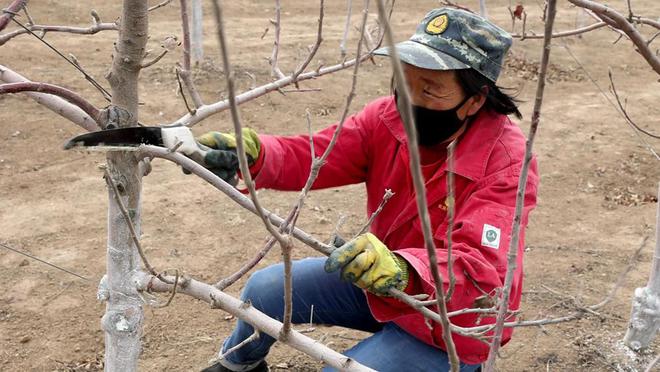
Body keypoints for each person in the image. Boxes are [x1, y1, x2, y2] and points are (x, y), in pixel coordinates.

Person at [198, 7, 539, 372]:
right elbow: (319, 154)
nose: (410, 100)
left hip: (451, 322)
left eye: (430, 89)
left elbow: (480, 270)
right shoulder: (386, 118)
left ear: (475, 98)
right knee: (265, 292)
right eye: (405, 81)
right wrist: (256, 156)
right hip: (382, 283)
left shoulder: (506, 162)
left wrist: (406, 269)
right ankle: (238, 366)